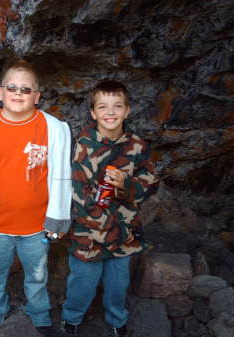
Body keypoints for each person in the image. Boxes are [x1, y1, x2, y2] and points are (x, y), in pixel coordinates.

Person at [0, 60, 72, 335]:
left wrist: (58, 218)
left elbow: (62, 175)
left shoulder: (54, 128)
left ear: (37, 96)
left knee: (37, 276)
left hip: (37, 224)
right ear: (0, 92)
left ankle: (39, 316)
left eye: (26, 89)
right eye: (11, 87)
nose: (18, 93)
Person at [61, 80, 159, 337]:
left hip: (125, 230)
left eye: (118, 106)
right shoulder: (85, 144)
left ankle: (117, 319)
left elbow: (150, 183)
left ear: (127, 110)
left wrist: (126, 184)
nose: (111, 112)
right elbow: (78, 191)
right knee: (83, 281)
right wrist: (99, 221)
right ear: (93, 113)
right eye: (103, 107)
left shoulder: (137, 145)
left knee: (119, 282)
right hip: (90, 231)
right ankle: (72, 317)